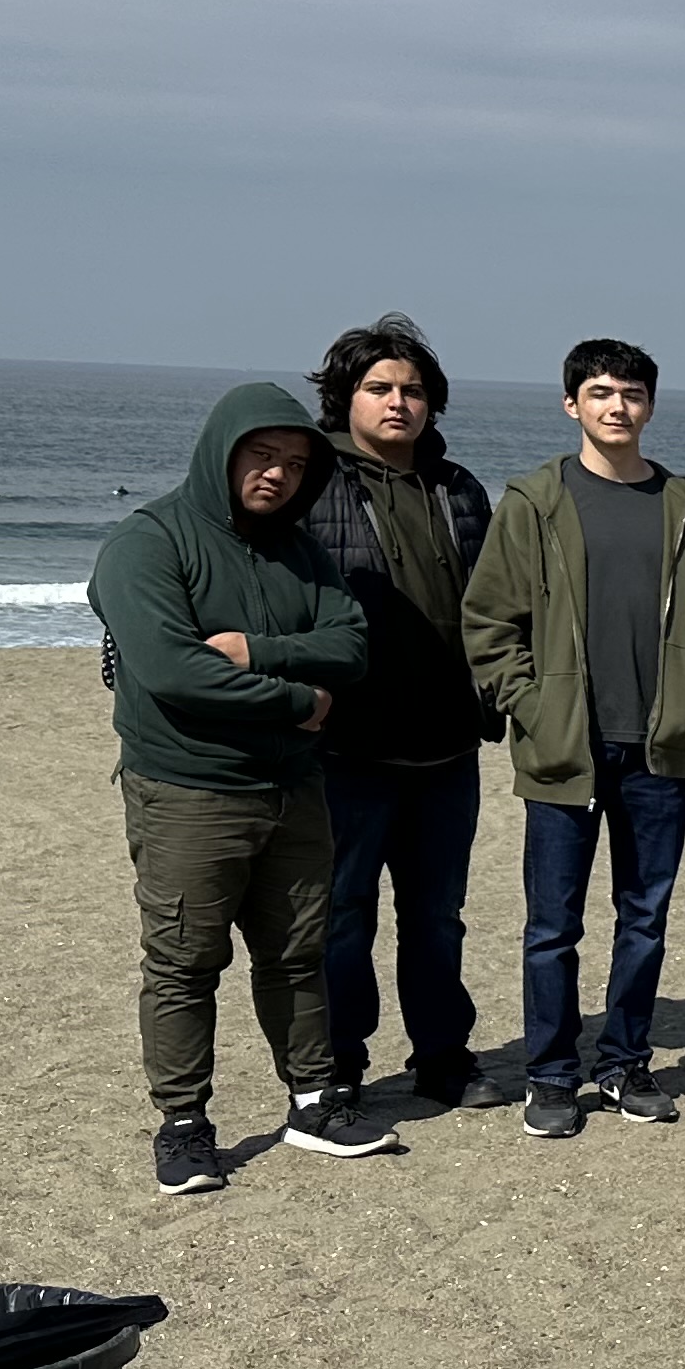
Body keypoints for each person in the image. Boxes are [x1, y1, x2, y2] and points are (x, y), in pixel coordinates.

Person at [85, 382, 392, 1192]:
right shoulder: (147, 544)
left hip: (293, 789)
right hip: (190, 791)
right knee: (185, 961)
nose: (278, 475)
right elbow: (172, 671)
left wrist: (258, 654)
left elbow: (352, 645)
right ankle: (183, 1125)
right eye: (262, 456)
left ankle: (315, 1101)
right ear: (223, 451)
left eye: (294, 463)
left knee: (297, 954)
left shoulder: (300, 548)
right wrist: (303, 701)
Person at [459, 338, 685, 1137]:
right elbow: (487, 620)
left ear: (651, 406)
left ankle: (623, 1064)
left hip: (656, 751)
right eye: (603, 392)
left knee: (644, 918)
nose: (619, 406)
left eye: (634, 394)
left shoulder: (683, 503)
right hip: (563, 751)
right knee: (554, 926)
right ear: (572, 403)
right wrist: (531, 705)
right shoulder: (536, 501)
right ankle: (551, 1075)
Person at [301, 315, 505, 1115]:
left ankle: (443, 1058)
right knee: (341, 920)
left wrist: (496, 698)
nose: (398, 403)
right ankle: (341, 1064)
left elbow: (498, 604)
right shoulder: (311, 485)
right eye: (379, 388)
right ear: (344, 397)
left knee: (437, 920)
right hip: (344, 753)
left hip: (447, 750)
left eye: (413, 390)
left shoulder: (459, 490)